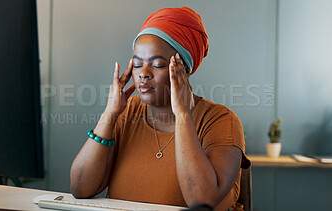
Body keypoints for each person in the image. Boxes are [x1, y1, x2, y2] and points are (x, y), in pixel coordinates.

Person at [70, 7, 251, 211]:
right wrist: (109, 114)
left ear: (184, 70)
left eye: (157, 65)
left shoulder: (220, 120)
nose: (143, 74)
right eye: (137, 65)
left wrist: (183, 114)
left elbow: (201, 200)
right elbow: (80, 188)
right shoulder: (127, 111)